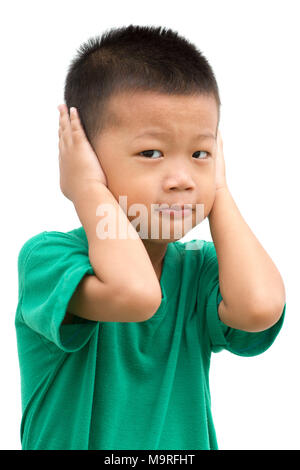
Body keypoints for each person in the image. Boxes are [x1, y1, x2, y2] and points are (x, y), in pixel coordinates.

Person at [15, 24, 286, 450]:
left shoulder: (201, 269)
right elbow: (136, 295)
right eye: (151, 153)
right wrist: (87, 190)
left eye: (200, 154)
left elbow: (260, 308)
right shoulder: (49, 259)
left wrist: (220, 192)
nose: (181, 179)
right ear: (85, 155)